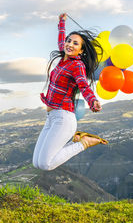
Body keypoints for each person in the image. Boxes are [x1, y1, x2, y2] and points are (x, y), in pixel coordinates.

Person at [33, 13, 108, 171]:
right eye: (69, 41)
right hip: (51, 117)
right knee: (37, 163)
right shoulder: (64, 58)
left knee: (46, 164)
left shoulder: (77, 65)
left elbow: (83, 85)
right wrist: (61, 23)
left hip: (63, 118)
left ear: (80, 51)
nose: (70, 44)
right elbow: (61, 42)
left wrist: (92, 100)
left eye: (75, 43)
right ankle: (74, 140)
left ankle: (84, 142)